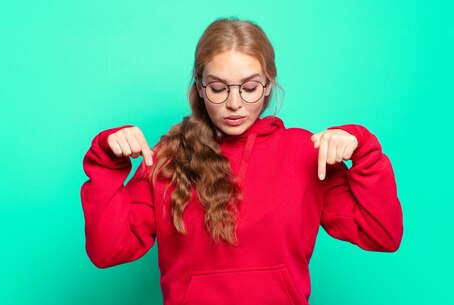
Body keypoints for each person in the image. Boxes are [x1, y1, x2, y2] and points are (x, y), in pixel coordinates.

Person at [80, 17, 403, 305]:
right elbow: (109, 250)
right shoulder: (168, 157)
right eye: (219, 88)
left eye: (249, 87)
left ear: (268, 85)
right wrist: (107, 162)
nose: (235, 104)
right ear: (200, 87)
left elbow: (380, 235)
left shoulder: (306, 152)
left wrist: (363, 148)